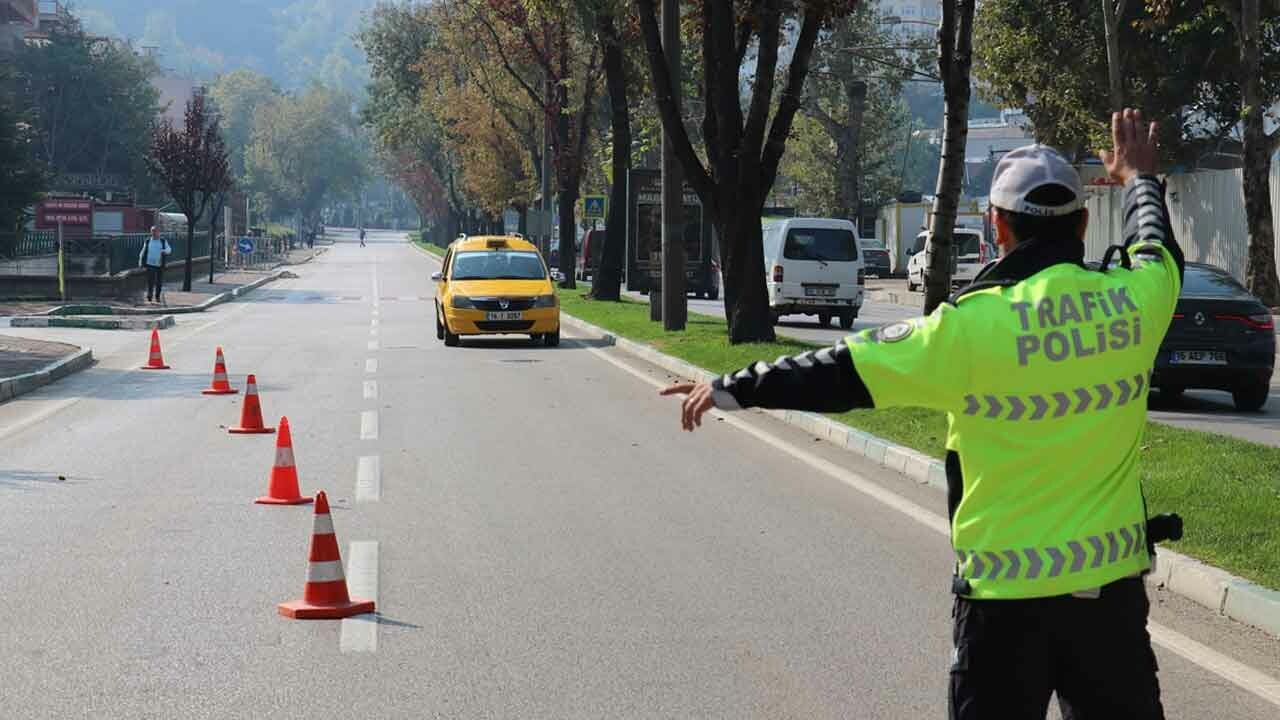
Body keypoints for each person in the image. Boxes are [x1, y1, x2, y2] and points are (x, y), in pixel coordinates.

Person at [661, 109, 1181, 720]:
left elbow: (838, 371)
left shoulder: (967, 330)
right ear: (1084, 222)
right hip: (1110, 605)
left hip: (1003, 608)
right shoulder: (1135, 303)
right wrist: (1139, 176)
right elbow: (1156, 243)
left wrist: (730, 388)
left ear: (997, 227)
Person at [138, 226, 172, 304]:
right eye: (152, 231)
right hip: (150, 264)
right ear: (151, 232)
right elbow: (142, 251)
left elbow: (169, 249)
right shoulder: (148, 241)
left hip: (159, 264)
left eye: (156, 231)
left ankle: (157, 296)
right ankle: (149, 296)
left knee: (159, 282)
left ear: (159, 232)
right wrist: (140, 262)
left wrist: (164, 251)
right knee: (150, 281)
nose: (154, 233)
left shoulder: (163, 241)